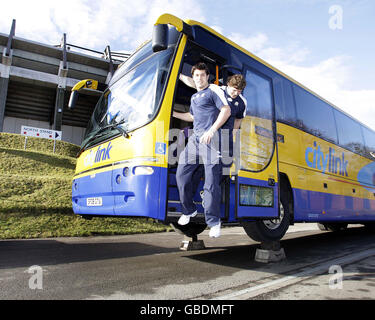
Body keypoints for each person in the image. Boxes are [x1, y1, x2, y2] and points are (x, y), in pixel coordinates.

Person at [173, 62, 231, 238]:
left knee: (211, 182)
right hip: (195, 141)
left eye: (202, 75)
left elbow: (226, 110)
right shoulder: (194, 97)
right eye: (196, 75)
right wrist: (173, 113)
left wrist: (212, 130)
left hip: (212, 140)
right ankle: (189, 211)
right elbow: (191, 116)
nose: (199, 78)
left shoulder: (213, 91)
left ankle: (213, 222)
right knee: (181, 175)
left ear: (207, 77)